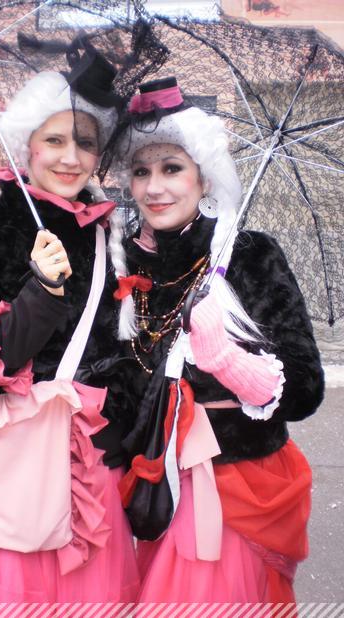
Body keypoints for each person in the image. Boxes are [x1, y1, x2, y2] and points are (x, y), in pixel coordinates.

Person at [0, 43, 140, 603]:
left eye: (85, 142)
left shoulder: (113, 239)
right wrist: (41, 293)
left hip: (90, 485)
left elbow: (124, 357)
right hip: (8, 485)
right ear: (27, 145)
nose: (71, 157)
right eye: (55, 140)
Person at [108, 77, 324, 602]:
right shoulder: (121, 262)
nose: (154, 187)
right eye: (141, 172)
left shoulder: (247, 255)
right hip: (152, 491)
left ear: (203, 178)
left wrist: (226, 359)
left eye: (172, 168)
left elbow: (305, 391)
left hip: (236, 492)